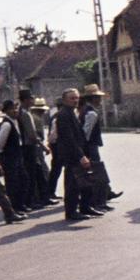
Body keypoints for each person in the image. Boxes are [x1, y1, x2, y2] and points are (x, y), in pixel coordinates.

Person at [53, 89, 102, 221]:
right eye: (72, 98)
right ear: (64, 100)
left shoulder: (72, 113)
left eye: (76, 98)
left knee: (86, 182)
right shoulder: (63, 115)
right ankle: (71, 211)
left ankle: (85, 207)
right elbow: (69, 139)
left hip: (79, 152)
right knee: (72, 184)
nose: (75, 100)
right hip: (72, 155)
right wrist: (81, 156)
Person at [79, 85, 122, 209]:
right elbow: (86, 132)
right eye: (97, 98)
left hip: (89, 146)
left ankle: (105, 195)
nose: (99, 100)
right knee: (97, 173)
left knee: (95, 173)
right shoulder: (91, 113)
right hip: (90, 146)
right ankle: (99, 201)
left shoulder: (85, 110)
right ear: (92, 99)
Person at [0, 98, 32, 214]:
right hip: (9, 157)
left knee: (23, 179)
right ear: (6, 110)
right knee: (12, 183)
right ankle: (14, 207)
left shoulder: (15, 122)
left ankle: (20, 204)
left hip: (17, 155)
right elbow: (0, 144)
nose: (15, 111)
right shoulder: (7, 124)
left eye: (16, 108)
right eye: (12, 109)